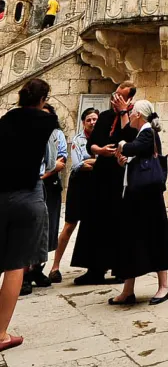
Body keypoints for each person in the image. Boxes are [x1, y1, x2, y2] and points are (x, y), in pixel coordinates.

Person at [0, 79, 59, 351]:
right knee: (16, 265)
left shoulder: (6, 119)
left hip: (1, 193)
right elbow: (49, 162)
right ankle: (0, 333)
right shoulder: (46, 123)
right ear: (43, 99)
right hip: (27, 193)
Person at [109, 100, 168, 305]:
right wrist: (124, 161)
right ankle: (128, 289)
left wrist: (122, 147)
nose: (130, 114)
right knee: (131, 239)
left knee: (155, 236)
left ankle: (164, 286)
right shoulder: (143, 133)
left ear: (138, 114)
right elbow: (135, 155)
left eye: (132, 111)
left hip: (148, 196)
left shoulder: (148, 132)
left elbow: (132, 148)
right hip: (137, 195)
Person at [70, 81, 136, 284]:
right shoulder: (106, 116)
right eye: (115, 94)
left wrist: (124, 112)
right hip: (101, 176)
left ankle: (119, 269)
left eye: (121, 96)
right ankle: (94, 269)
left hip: (120, 177)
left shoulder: (133, 116)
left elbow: (130, 139)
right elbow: (91, 144)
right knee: (93, 220)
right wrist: (100, 151)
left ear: (129, 99)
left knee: (118, 223)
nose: (115, 98)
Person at [49, 107, 99, 282]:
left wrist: (92, 161)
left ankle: (93, 266)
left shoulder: (102, 138)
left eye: (95, 119)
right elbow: (79, 164)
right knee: (70, 225)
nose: (93, 122)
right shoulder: (78, 139)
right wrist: (99, 160)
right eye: (89, 120)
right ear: (83, 122)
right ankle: (55, 266)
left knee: (93, 226)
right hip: (79, 186)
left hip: (96, 186)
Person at [22, 104, 68, 289]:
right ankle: (24, 274)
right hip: (32, 187)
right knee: (30, 230)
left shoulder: (57, 135)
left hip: (49, 185)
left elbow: (61, 161)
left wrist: (41, 174)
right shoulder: (28, 134)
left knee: (49, 229)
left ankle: (37, 269)